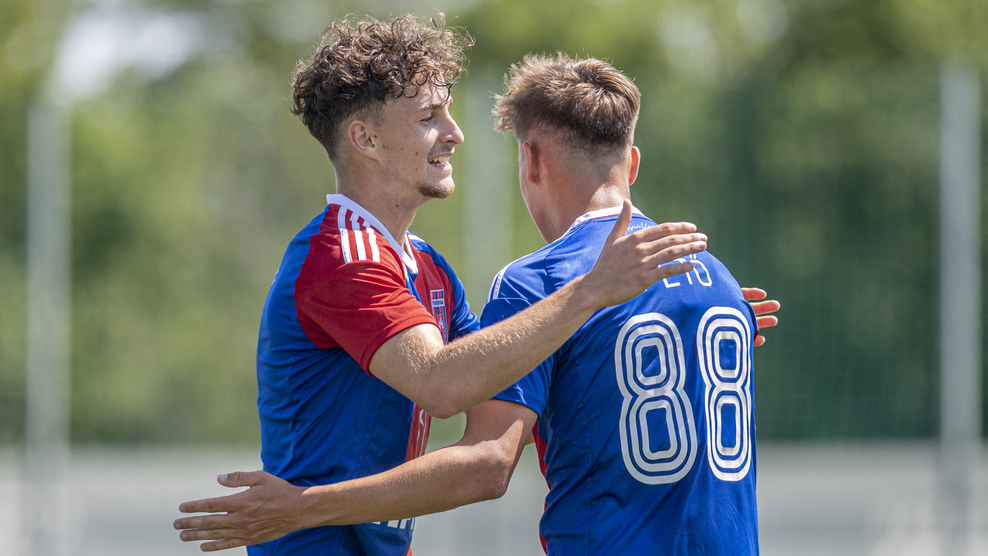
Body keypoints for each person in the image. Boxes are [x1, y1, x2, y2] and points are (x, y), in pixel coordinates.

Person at [175, 51, 779, 555]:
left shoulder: (430, 267)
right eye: (429, 116)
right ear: (365, 139)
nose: (455, 132)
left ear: (531, 160)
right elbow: (443, 385)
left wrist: (640, 322)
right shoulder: (345, 258)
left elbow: (501, 372)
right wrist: (596, 293)